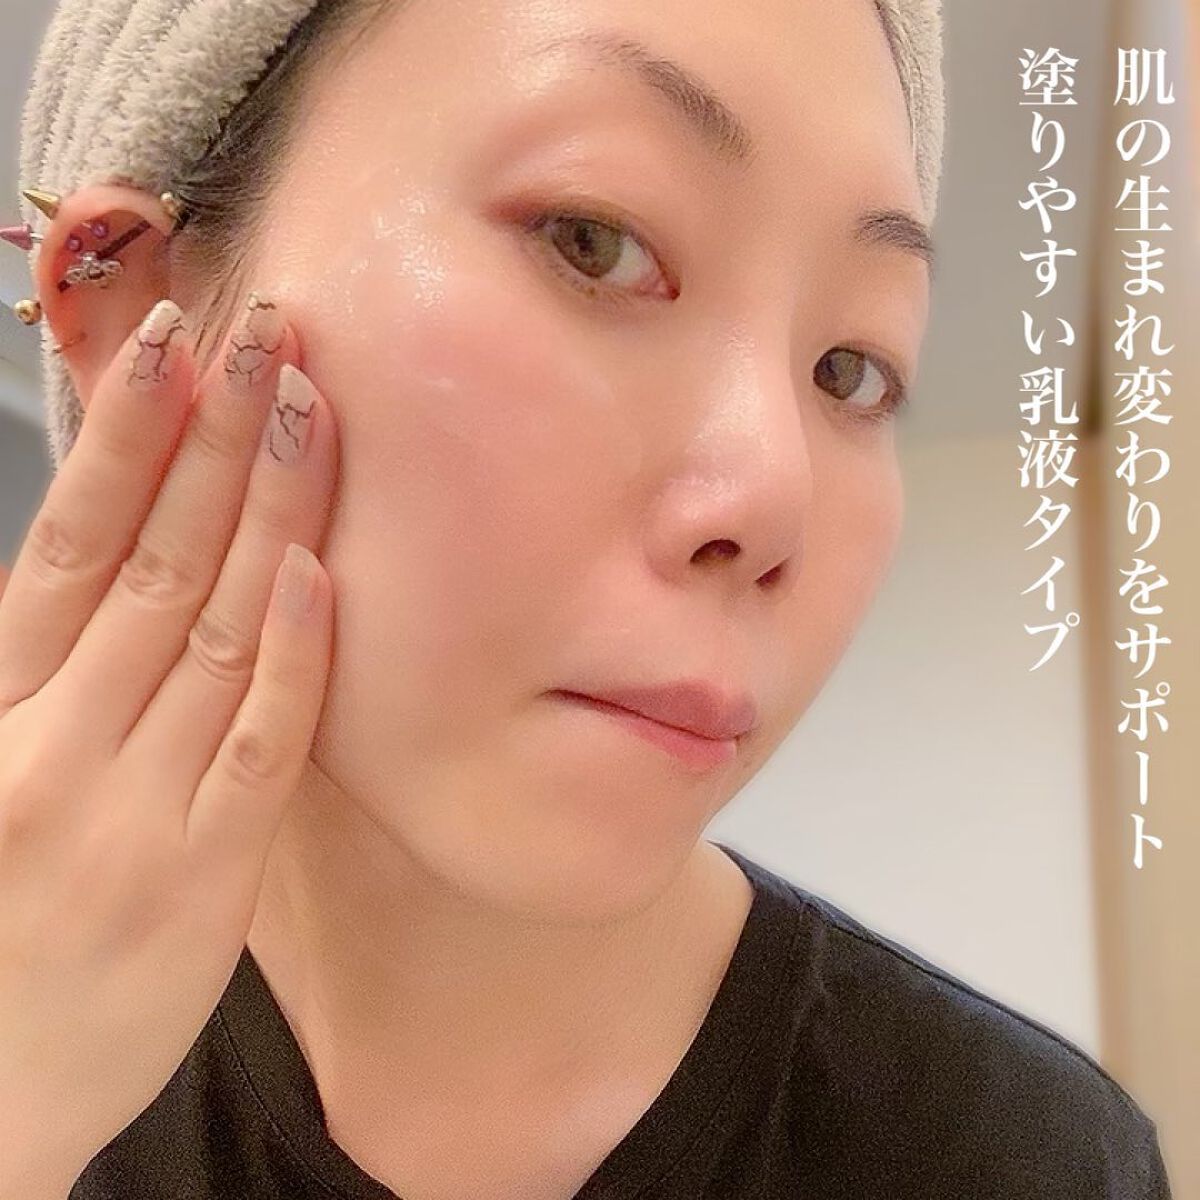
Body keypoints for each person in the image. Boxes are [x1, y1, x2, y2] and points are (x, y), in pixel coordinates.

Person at [0, 0, 1172, 1197]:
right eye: (594, 240)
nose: (776, 497)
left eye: (849, 370)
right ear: (133, 302)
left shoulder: (1020, 1158)